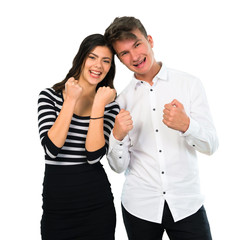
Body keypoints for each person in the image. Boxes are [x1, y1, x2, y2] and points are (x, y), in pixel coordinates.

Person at [104, 17, 219, 240]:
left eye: (137, 44)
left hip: (186, 205)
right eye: (124, 53)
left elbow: (211, 145)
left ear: (149, 40)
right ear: (119, 59)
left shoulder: (190, 84)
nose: (135, 57)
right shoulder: (121, 102)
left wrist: (187, 126)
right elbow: (119, 167)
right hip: (140, 207)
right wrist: (116, 137)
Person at [37, 33, 119, 240]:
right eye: (92, 57)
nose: (98, 65)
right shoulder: (49, 96)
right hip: (57, 210)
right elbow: (51, 149)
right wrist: (70, 100)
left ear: (111, 67)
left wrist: (98, 104)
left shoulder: (110, 106)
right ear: (81, 58)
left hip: (96, 207)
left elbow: (93, 155)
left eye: (106, 60)